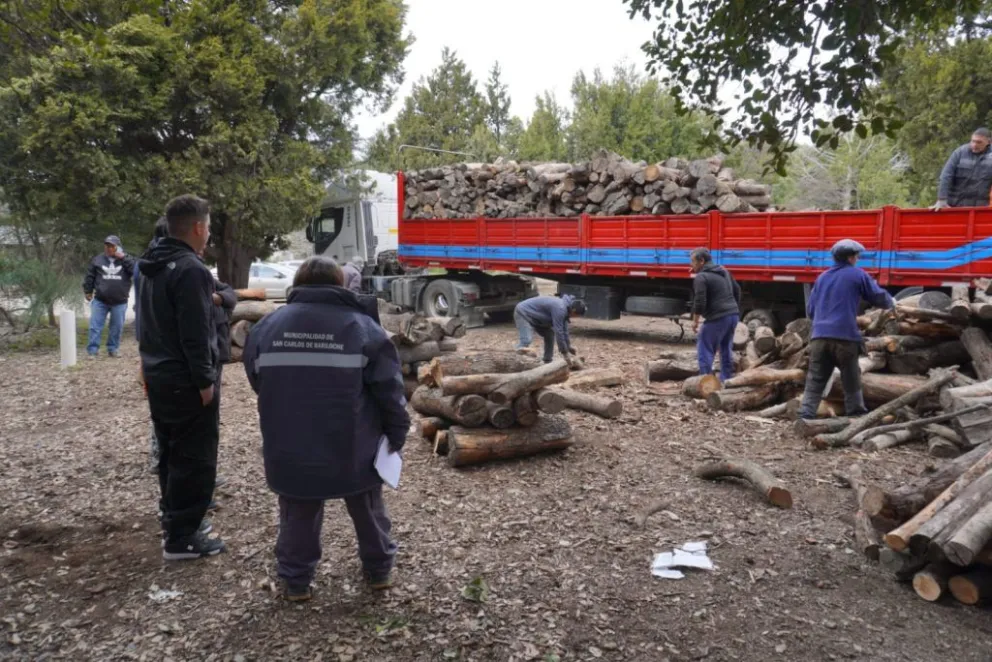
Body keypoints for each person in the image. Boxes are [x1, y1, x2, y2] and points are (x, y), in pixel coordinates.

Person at [243, 256, 410, 602]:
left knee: (298, 511)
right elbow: (390, 391)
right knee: (367, 508)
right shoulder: (363, 327)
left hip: (289, 445)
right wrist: (397, 432)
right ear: (339, 284)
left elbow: (258, 379)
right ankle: (379, 573)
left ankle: (296, 582)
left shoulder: (267, 327)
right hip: (353, 443)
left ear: (298, 284)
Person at [137, 195, 225, 560]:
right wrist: (205, 382)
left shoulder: (148, 264)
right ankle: (184, 536)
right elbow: (195, 333)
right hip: (186, 380)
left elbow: (146, 324)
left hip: (158, 374)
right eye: (208, 228)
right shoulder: (190, 270)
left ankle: (173, 518)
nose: (209, 235)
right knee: (195, 458)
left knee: (171, 452)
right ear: (199, 227)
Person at [799, 239, 894, 420]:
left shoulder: (822, 278)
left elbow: (811, 310)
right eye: (857, 256)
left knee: (816, 379)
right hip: (845, 337)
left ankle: (806, 415)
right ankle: (855, 416)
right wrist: (891, 303)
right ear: (851, 257)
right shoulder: (857, 275)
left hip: (819, 337)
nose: (857, 259)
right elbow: (877, 296)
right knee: (851, 379)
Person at [689, 248, 741, 382]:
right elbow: (737, 290)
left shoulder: (701, 277)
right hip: (732, 314)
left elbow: (699, 301)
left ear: (701, 261)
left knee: (704, 347)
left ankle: (707, 381)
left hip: (718, 317)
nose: (691, 265)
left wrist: (695, 321)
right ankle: (727, 380)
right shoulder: (723, 271)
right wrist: (732, 307)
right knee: (725, 347)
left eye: (693, 262)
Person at [83, 235, 135, 358]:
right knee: (95, 327)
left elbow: (135, 270)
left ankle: (113, 349)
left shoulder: (126, 259)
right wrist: (88, 290)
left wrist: (123, 258)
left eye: (112, 246)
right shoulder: (98, 259)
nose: (108, 248)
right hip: (100, 300)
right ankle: (92, 351)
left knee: (116, 327)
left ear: (118, 247)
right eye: (107, 245)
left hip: (120, 301)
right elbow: (90, 276)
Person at [513, 295, 585, 366]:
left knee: (550, 335)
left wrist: (568, 347)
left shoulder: (565, 310)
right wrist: (565, 353)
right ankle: (513, 356)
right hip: (523, 312)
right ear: (573, 311)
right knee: (526, 340)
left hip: (536, 318)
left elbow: (564, 332)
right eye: (577, 316)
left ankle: (547, 361)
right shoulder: (560, 309)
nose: (575, 318)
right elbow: (559, 332)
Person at [934, 128, 992, 209]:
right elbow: (946, 175)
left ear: (989, 142)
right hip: (953, 205)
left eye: (979, 142)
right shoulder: (960, 152)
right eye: (973, 141)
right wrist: (942, 199)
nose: (974, 145)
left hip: (979, 208)